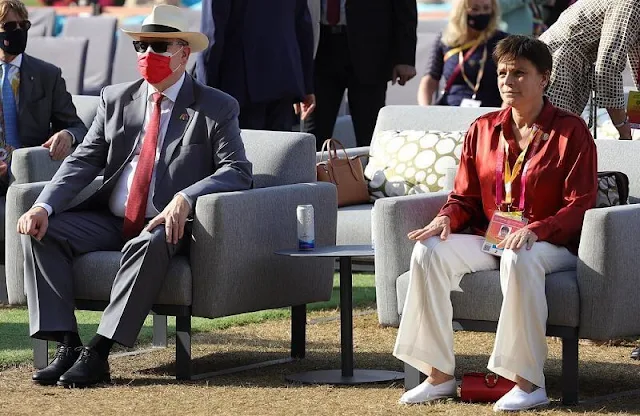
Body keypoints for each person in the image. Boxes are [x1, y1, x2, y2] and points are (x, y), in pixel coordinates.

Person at [18, 5, 253, 388]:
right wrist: (43, 205)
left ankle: (99, 353)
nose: (147, 55)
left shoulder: (216, 106)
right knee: (44, 231)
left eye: (158, 46)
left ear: (183, 52)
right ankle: (68, 345)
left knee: (149, 241)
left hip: (166, 225)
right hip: (110, 218)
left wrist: (187, 197)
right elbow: (82, 162)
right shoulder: (114, 98)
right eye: (141, 46)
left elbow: (237, 170)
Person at [394, 36, 597, 411]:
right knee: (429, 249)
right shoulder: (483, 128)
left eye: (520, 73)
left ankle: (528, 382)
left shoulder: (571, 133)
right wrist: (445, 218)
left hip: (552, 244)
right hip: (493, 239)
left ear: (544, 78)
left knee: (519, 256)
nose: (508, 81)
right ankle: (437, 376)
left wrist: (535, 230)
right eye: (503, 73)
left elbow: (581, 206)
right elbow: (464, 198)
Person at [304, 0, 417, 149]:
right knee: (313, 136)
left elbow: (405, 7)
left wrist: (405, 57)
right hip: (320, 47)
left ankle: (368, 173)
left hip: (370, 51)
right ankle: (312, 173)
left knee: (369, 136)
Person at [0, 0, 87, 193]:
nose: (18, 31)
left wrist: (68, 135)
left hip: (29, 173)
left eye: (23, 25)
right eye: (9, 26)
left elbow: (77, 127)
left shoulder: (47, 75)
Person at [196, 0, 316, 131]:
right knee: (279, 148)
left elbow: (212, 35)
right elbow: (303, 26)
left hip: (239, 88)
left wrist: (204, 90)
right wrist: (307, 86)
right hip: (283, 80)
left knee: (243, 149)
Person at [539, 0, 640, 140]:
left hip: (556, 62)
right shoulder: (631, 4)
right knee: (550, 143)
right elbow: (607, 68)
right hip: (556, 66)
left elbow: (636, 59)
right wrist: (623, 127)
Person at [418, 0, 507, 108]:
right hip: (450, 108)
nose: (481, 13)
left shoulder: (503, 41)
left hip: (489, 113)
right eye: (475, 9)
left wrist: (503, 114)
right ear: (461, 12)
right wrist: (424, 108)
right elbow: (430, 78)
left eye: (486, 8)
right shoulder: (446, 39)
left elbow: (514, 83)